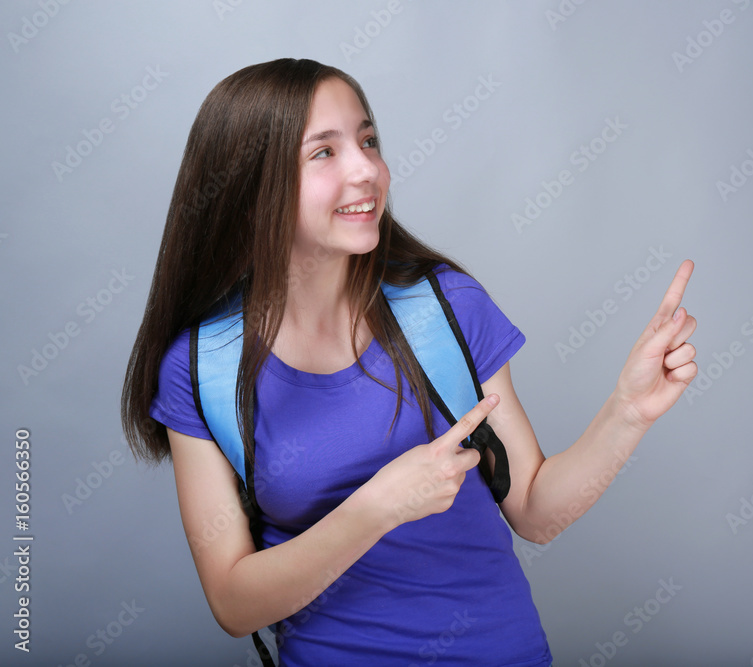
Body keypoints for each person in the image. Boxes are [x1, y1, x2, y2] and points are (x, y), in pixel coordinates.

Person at [120, 57, 698, 666]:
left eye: (368, 141)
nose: (367, 169)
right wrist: (377, 507)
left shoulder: (445, 308)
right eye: (325, 153)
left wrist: (627, 413)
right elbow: (233, 604)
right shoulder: (202, 368)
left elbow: (534, 511)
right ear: (249, 186)